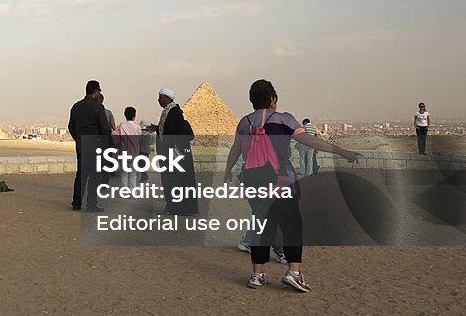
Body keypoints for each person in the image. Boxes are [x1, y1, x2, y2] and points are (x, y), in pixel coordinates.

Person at [222, 79, 360, 292]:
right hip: (281, 179)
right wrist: (343, 152)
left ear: (252, 100)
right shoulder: (284, 119)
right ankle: (293, 271)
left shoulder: (243, 123)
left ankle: (257, 275)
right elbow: (312, 142)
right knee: (292, 224)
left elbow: (235, 150)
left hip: (252, 180)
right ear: (273, 99)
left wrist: (226, 172)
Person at [150, 88, 198, 215]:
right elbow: (168, 131)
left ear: (167, 97)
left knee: (173, 180)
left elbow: (173, 133)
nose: (158, 100)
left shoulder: (174, 112)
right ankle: (174, 206)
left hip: (172, 154)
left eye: (160, 97)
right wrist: (156, 128)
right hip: (171, 153)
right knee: (172, 180)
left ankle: (174, 207)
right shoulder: (169, 111)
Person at [68, 80, 111, 212]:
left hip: (81, 145)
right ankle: (91, 205)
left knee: (81, 174)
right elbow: (105, 128)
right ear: (95, 91)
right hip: (95, 146)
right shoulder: (98, 107)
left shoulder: (76, 106)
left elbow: (70, 126)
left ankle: (76, 203)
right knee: (94, 176)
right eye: (99, 91)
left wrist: (78, 139)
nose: (100, 93)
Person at [111, 107, 142, 189]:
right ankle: (132, 191)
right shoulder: (137, 127)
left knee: (124, 174)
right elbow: (139, 139)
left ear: (125, 115)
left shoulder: (121, 126)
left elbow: (115, 136)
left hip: (123, 153)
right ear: (134, 116)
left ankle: (124, 191)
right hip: (134, 153)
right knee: (133, 174)